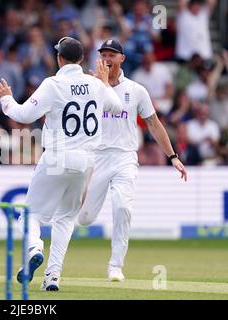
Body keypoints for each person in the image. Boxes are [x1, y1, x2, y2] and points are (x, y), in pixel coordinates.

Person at [0, 36, 122, 291]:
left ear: (59, 58)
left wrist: (6, 99)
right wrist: (104, 82)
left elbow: (23, 115)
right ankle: (53, 276)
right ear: (82, 59)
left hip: (56, 156)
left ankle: (34, 248)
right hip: (85, 161)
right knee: (65, 219)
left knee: (28, 215)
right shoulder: (95, 85)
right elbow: (117, 108)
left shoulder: (53, 84)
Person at [75, 39, 188, 281]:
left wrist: (173, 156)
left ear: (122, 59)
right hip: (96, 158)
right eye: (103, 54)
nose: (106, 58)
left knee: (122, 207)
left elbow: (153, 124)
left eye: (112, 55)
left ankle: (116, 266)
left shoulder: (136, 90)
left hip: (125, 157)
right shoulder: (90, 87)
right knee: (84, 219)